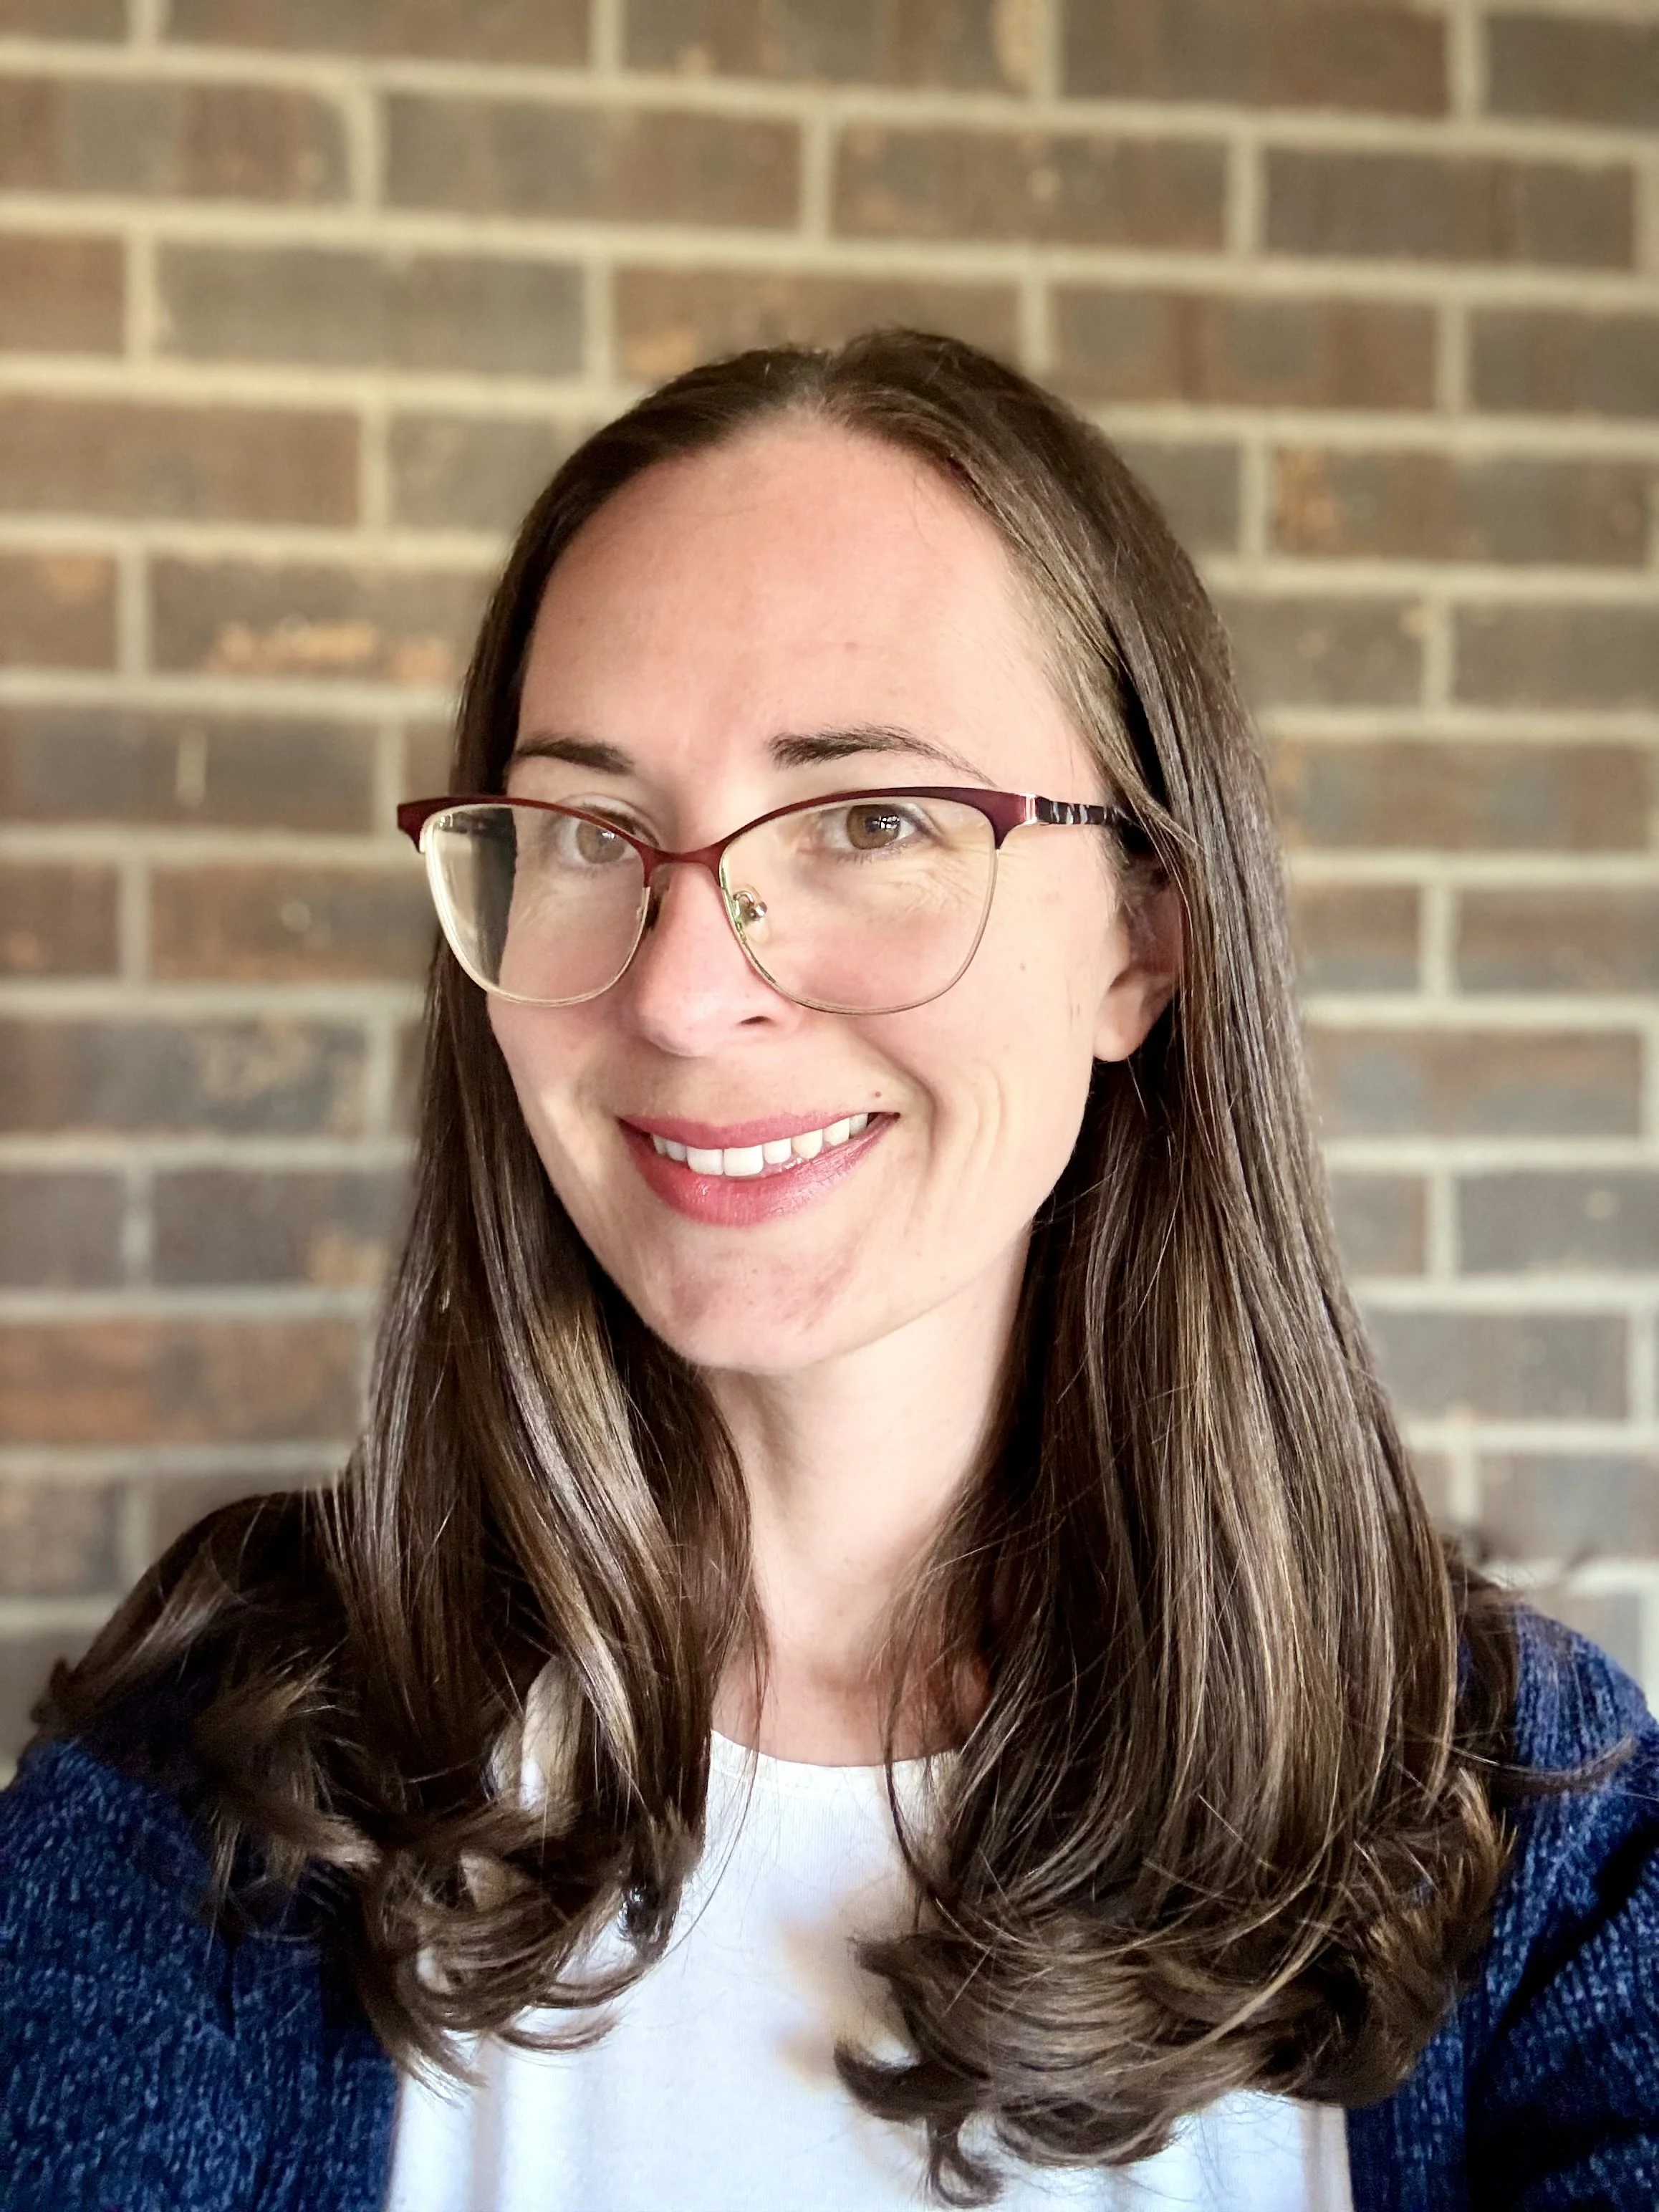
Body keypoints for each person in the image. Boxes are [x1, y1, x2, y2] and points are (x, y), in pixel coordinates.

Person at [1, 331, 1655, 2212]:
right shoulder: (216, 1774)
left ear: (1145, 933)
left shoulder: (1529, 1823)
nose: (683, 993)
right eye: (579, 832)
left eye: (871, 818)